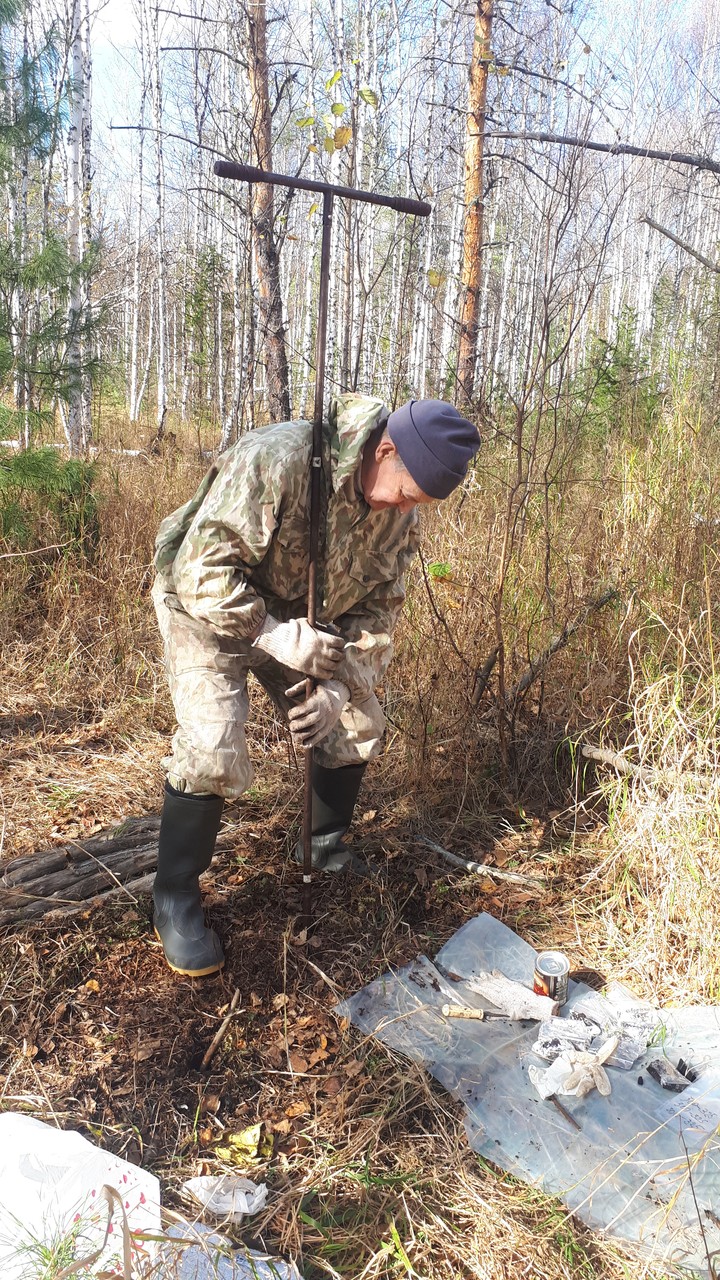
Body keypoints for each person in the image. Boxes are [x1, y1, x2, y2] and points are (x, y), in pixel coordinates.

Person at [151, 393, 480, 976]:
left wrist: (336, 689)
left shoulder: (401, 518)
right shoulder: (280, 460)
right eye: (405, 493)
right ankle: (174, 896)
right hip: (208, 609)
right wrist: (274, 635)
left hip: (304, 623)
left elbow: (377, 615)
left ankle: (320, 846)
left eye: (417, 504)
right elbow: (198, 571)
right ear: (384, 449)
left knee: (358, 720)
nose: (404, 510)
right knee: (214, 746)